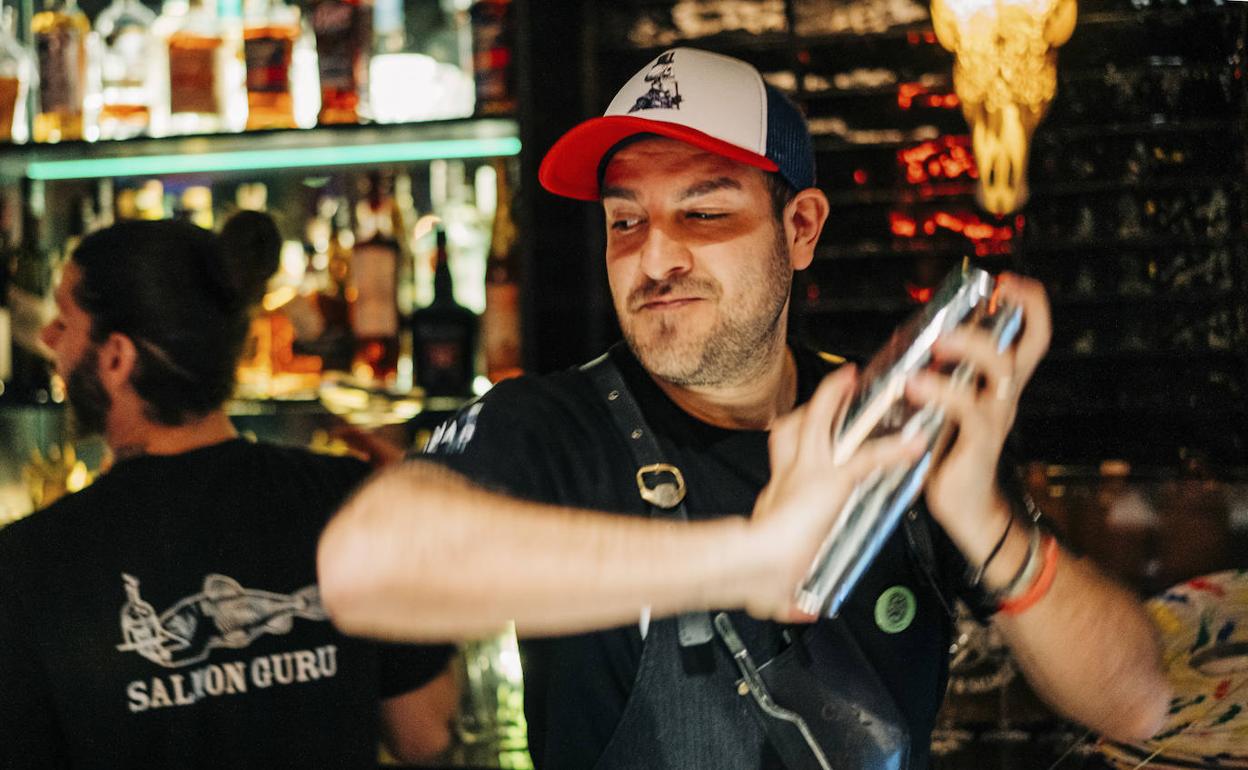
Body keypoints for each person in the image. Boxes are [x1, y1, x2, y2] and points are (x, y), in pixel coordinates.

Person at [318, 48, 1171, 768]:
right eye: (625, 222)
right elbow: (364, 564)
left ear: (800, 228)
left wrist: (983, 520)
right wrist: (749, 559)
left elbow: (1135, 702)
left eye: (702, 212)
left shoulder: (888, 427)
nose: (655, 260)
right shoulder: (549, 423)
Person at [0, 213, 457, 768]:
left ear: (117, 358)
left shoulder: (28, 563)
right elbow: (425, 734)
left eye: (64, 320)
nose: (47, 337)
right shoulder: (353, 502)